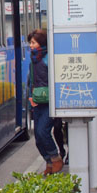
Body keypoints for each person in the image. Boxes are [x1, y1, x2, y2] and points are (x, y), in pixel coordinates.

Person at [27, 29, 64, 175]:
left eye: (33, 42)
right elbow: (31, 81)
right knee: (37, 137)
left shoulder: (49, 58)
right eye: (30, 42)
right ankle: (49, 163)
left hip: (49, 102)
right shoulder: (33, 59)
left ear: (41, 43)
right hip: (37, 102)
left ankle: (56, 158)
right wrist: (30, 97)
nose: (30, 45)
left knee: (43, 132)